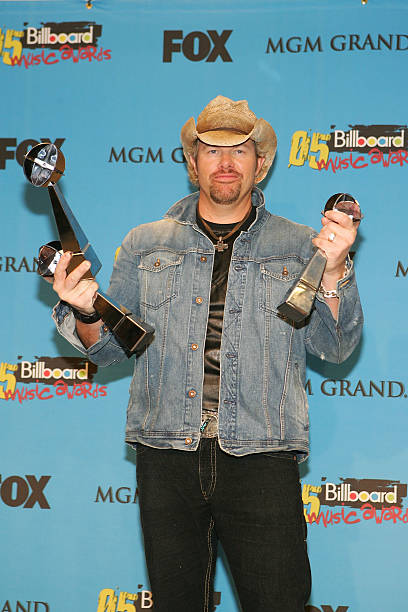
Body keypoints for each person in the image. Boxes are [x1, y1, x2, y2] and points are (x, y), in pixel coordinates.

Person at [51, 95, 363, 611]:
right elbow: (107, 351)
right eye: (211, 150)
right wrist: (85, 312)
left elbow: (336, 346)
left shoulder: (303, 245)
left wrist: (333, 273)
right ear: (191, 163)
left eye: (240, 150)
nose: (225, 162)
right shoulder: (144, 244)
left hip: (262, 454)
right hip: (166, 454)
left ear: (260, 165)